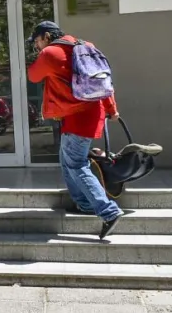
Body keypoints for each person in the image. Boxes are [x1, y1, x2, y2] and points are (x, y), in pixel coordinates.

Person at [27, 20, 123, 239]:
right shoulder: (86, 46)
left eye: (37, 41)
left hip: (77, 120)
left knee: (76, 164)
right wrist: (112, 109)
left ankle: (108, 211)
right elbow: (102, 82)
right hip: (88, 116)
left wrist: (42, 57)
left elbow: (33, 76)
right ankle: (84, 204)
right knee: (66, 160)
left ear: (46, 36)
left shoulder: (51, 53)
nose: (36, 46)